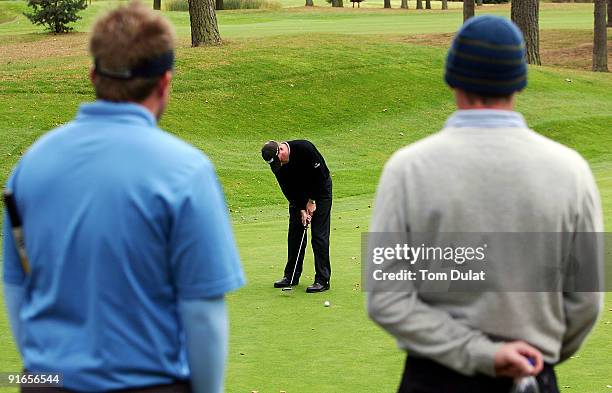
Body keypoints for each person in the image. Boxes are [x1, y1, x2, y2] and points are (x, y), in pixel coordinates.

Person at [2, 2, 245, 392]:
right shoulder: (186, 171)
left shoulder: (30, 166)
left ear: (93, 75)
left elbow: (16, 289)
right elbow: (202, 313)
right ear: (165, 82)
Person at [366, 15, 603, 393]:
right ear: (519, 83)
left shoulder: (407, 169)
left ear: (452, 78)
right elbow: (587, 302)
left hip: (435, 379)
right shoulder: (571, 170)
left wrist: (481, 354)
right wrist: (536, 355)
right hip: (532, 374)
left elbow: (386, 300)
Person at [261, 140, 332, 293]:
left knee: (319, 235)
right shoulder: (277, 165)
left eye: (279, 160)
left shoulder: (304, 148)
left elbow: (320, 176)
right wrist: (301, 209)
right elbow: (288, 189)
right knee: (295, 234)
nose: (279, 165)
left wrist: (312, 201)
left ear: (281, 149)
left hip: (321, 190)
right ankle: (291, 276)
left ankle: (322, 280)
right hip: (299, 194)